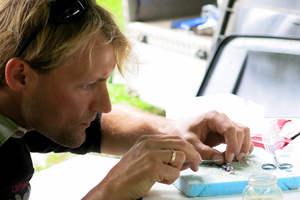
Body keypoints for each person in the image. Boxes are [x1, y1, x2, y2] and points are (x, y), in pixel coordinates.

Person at [0, 0, 254, 199]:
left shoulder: (20, 112)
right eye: (86, 85)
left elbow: (99, 127)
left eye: (104, 82)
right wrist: (109, 192)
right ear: (20, 75)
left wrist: (173, 130)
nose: (105, 105)